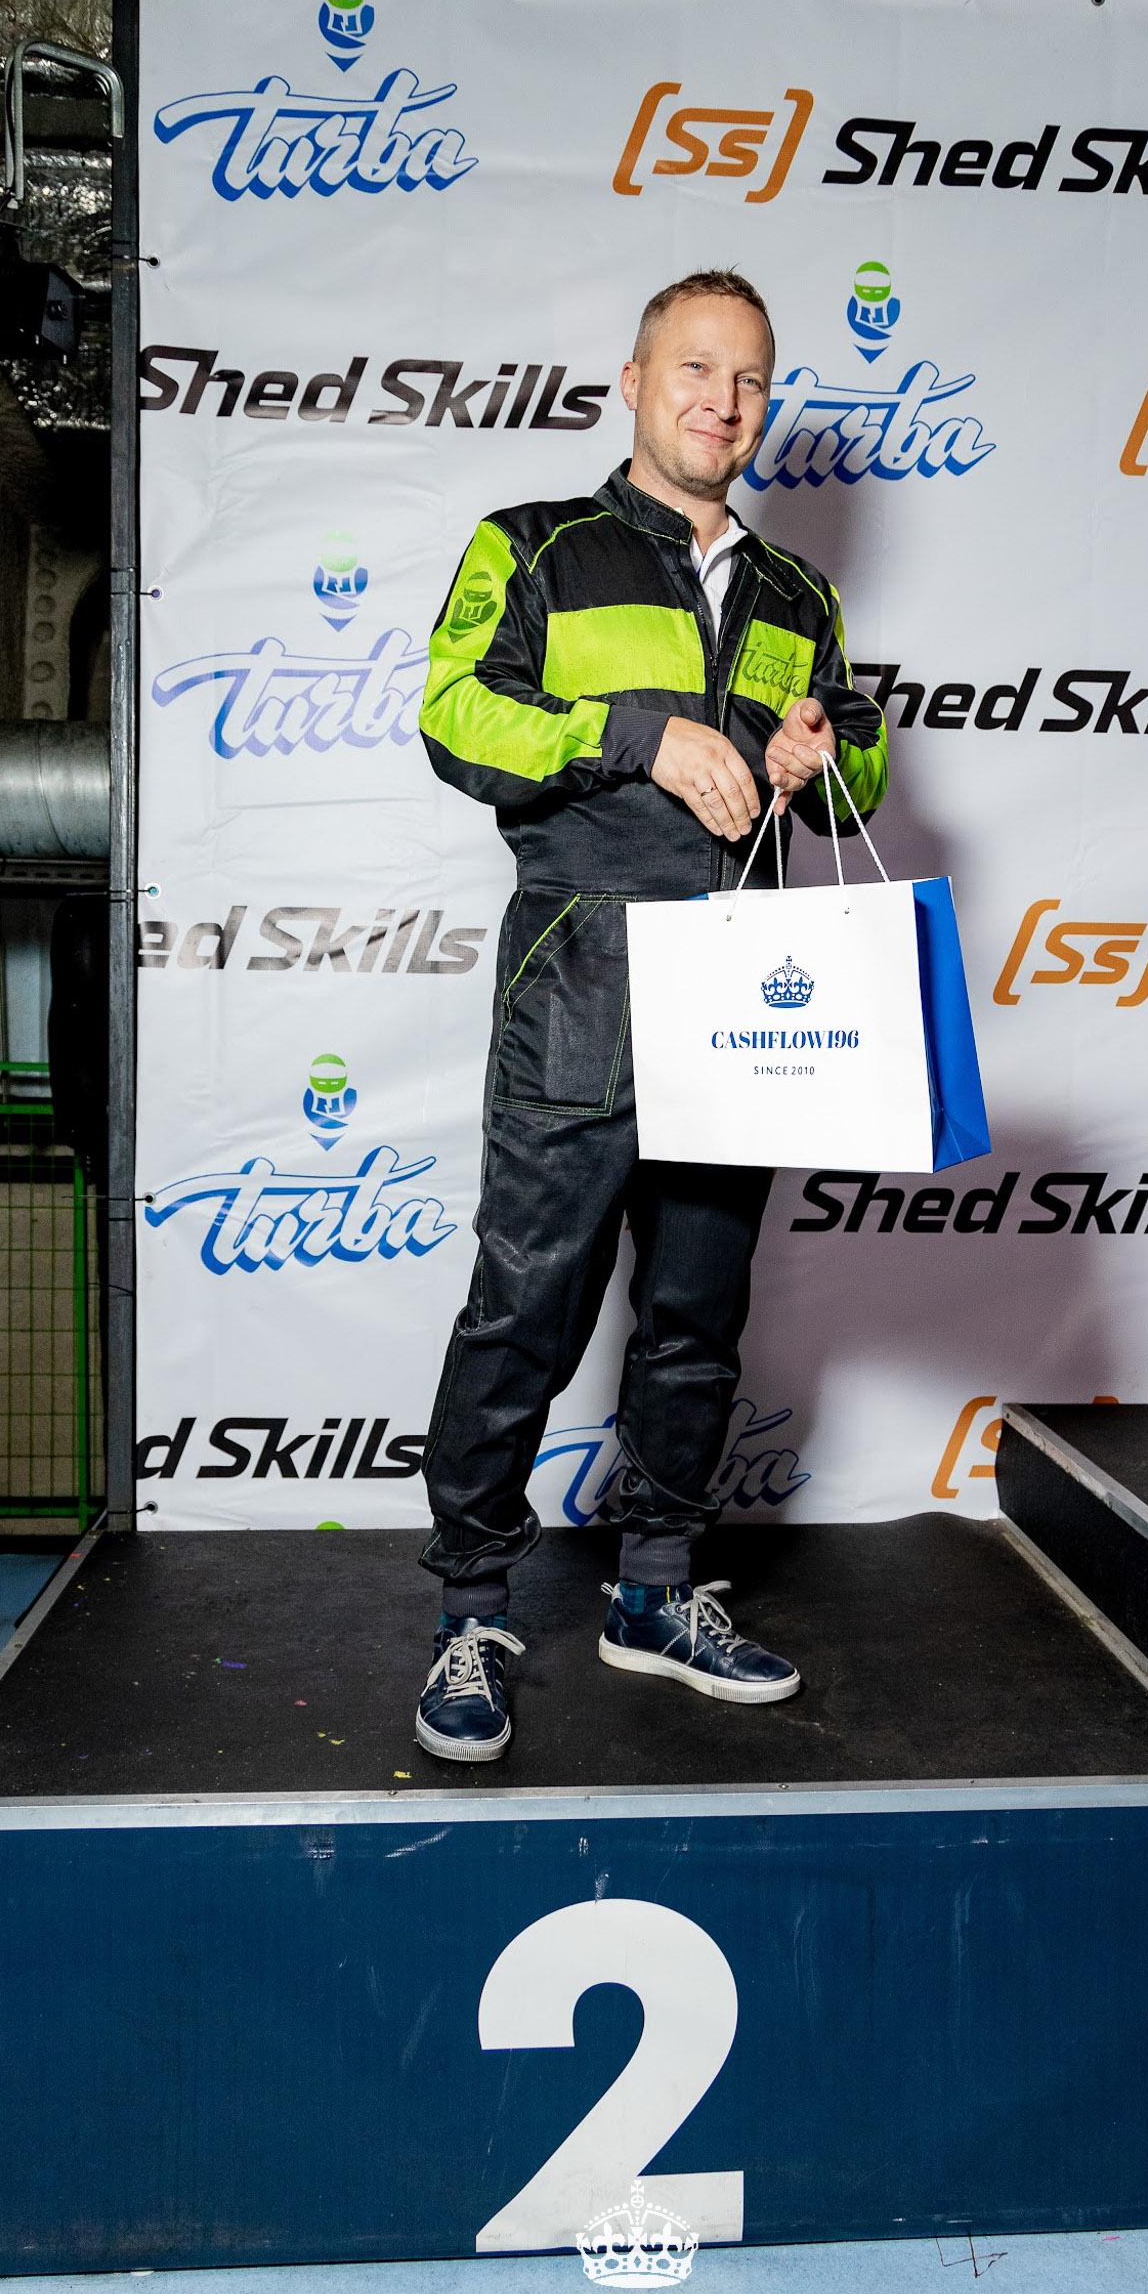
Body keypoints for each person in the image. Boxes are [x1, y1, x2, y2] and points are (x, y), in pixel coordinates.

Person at [411, 268, 889, 1761]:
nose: (721, 404)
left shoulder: (799, 595)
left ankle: (658, 1590)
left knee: (695, 1313)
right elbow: (455, 717)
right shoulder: (535, 546)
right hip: (580, 981)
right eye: (694, 370)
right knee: (528, 1304)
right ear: (633, 381)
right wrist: (641, 734)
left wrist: (821, 752)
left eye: (748, 380)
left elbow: (861, 770)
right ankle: (471, 1608)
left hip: (741, 996)